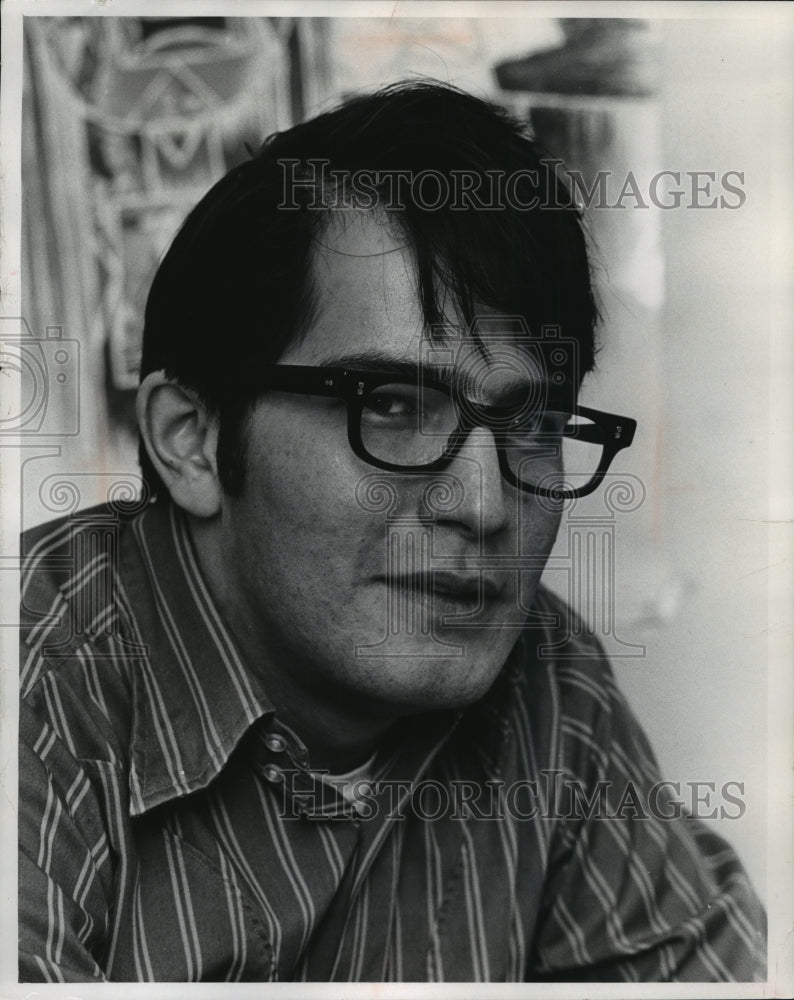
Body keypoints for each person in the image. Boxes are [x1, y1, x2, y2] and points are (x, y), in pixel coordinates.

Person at [18, 81, 765, 982]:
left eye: (529, 423)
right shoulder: (37, 693)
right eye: (394, 406)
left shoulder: (549, 687)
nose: (483, 504)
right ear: (194, 440)